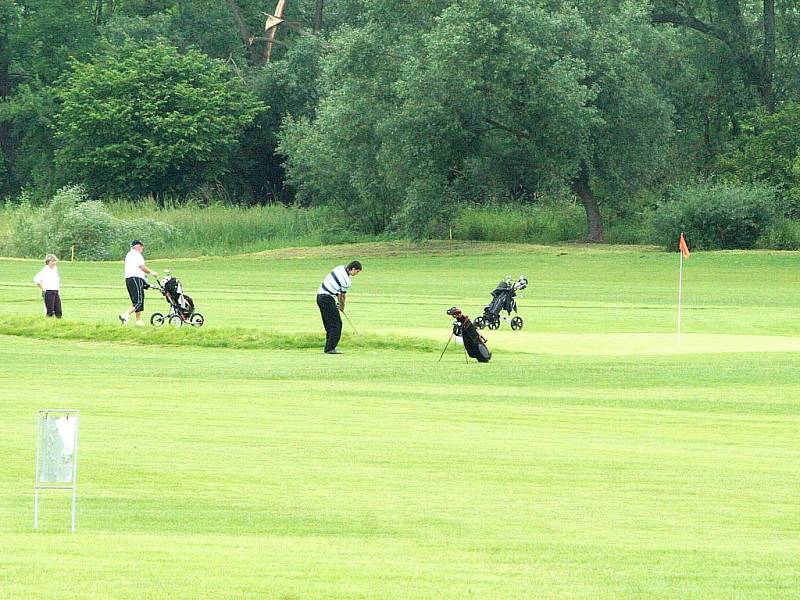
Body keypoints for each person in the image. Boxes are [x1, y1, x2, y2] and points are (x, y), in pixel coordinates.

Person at [316, 260, 362, 354]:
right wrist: (342, 307)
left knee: (329, 324)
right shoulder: (347, 281)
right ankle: (330, 348)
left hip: (320, 297)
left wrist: (337, 303)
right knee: (337, 324)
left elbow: (336, 289)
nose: (357, 274)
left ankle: (328, 346)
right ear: (353, 269)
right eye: (357, 271)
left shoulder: (339, 268)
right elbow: (342, 296)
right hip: (327, 299)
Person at [119, 240, 158, 326]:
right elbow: (141, 267)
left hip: (130, 279)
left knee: (136, 300)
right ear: (136, 247)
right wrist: (152, 272)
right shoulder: (136, 255)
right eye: (140, 246)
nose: (141, 248)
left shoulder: (129, 254)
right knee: (139, 302)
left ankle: (138, 321)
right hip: (135, 279)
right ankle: (125, 315)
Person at [33, 254, 62, 318]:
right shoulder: (45, 270)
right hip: (48, 292)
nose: (54, 263)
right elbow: (36, 279)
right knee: (50, 311)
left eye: (55, 261)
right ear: (48, 262)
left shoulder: (55, 269)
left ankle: (59, 324)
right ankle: (48, 324)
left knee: (58, 310)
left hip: (56, 291)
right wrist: (43, 289)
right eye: (52, 261)